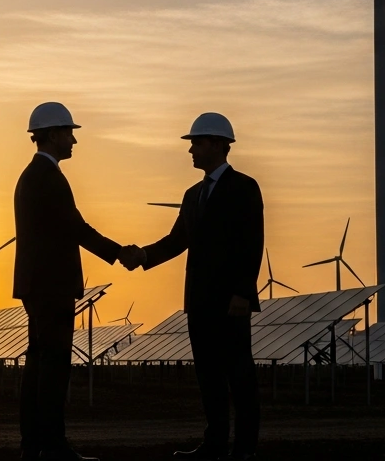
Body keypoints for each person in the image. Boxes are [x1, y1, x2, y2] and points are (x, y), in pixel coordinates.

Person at [119, 112, 264, 461]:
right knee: (209, 378)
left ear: (217, 144)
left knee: (239, 378)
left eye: (196, 143)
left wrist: (243, 293)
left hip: (231, 302)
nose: (191, 151)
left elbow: (252, 242)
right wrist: (142, 255)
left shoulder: (244, 187)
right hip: (199, 302)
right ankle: (214, 445)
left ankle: (244, 450)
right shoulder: (192, 194)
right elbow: (176, 240)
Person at [14, 101, 123, 461]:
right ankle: (52, 446)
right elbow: (75, 228)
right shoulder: (48, 178)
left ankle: (35, 445)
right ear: (53, 135)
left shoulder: (34, 176)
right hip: (51, 287)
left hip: (40, 285)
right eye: (69, 134)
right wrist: (119, 252)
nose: (74, 141)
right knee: (53, 367)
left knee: (40, 365)